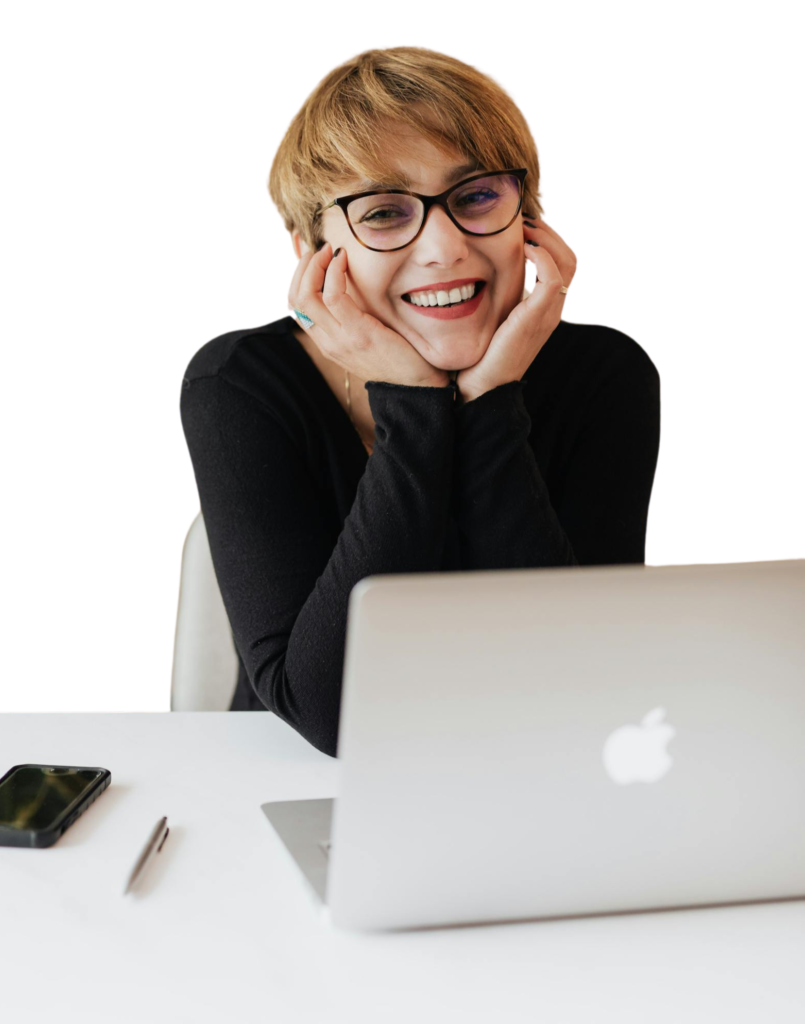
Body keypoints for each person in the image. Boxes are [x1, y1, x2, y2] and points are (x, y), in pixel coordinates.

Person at [178, 45, 661, 758]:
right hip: (290, 784)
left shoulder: (605, 374)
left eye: (475, 197)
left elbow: (580, 680)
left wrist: (489, 401)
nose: (442, 248)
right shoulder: (239, 383)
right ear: (309, 247)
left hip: (533, 767)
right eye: (381, 213)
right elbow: (329, 716)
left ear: (528, 215)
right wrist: (412, 404)